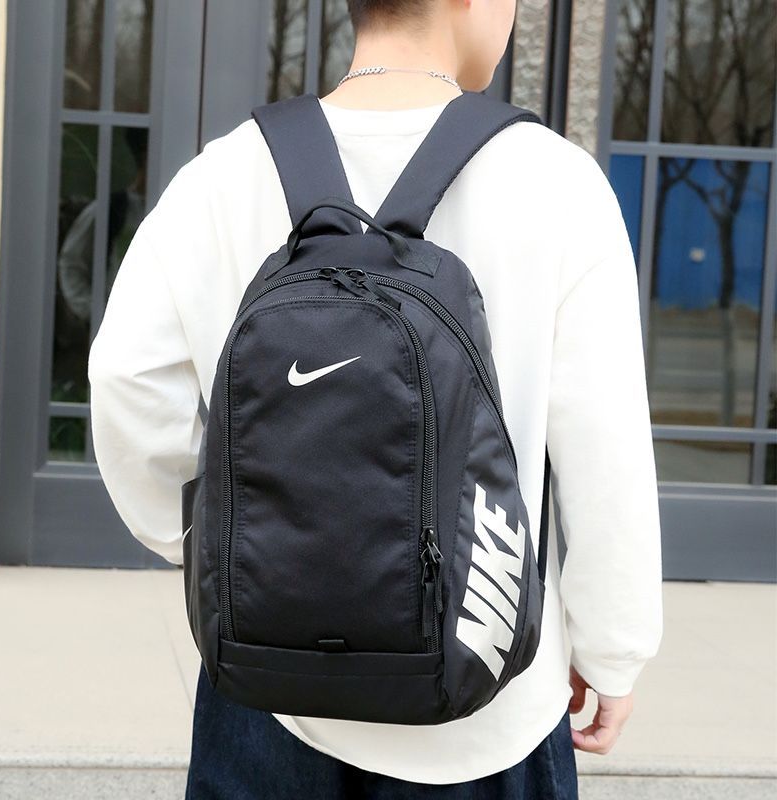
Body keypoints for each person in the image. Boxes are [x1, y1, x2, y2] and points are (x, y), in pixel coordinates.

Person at [87, 0, 664, 797]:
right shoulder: (557, 182)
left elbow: (128, 379)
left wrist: (224, 542)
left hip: (268, 679)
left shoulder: (225, 173)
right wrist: (612, 650)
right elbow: (605, 449)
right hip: (484, 694)